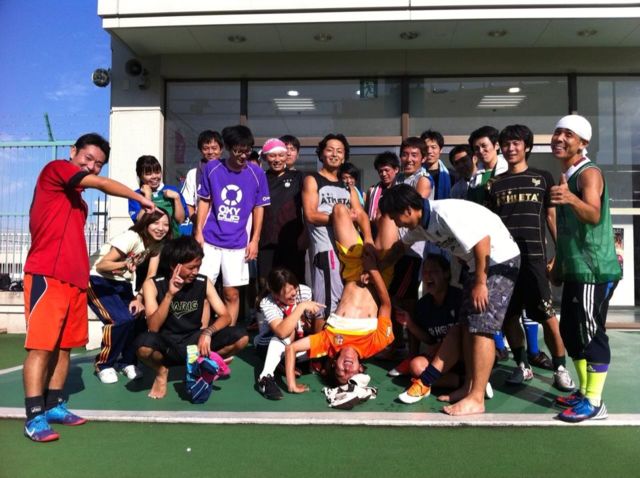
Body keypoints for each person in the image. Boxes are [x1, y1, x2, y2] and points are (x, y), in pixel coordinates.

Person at [22, 133, 155, 442]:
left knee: (64, 346)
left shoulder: (79, 203)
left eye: (99, 163)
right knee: (41, 347)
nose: (92, 166)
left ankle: (54, 405)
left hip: (75, 281)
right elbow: (103, 184)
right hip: (47, 274)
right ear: (73, 152)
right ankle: (34, 416)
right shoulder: (55, 169)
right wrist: (140, 198)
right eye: (88, 159)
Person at [379, 184, 520, 416]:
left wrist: (481, 282)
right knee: (466, 327)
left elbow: (482, 241)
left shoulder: (444, 214)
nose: (396, 223)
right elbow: (399, 249)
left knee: (481, 327)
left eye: (396, 218)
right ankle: (468, 388)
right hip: (477, 265)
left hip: (498, 260)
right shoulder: (421, 225)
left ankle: (477, 398)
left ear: (408, 210)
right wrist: (376, 266)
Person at [486, 124, 574, 391]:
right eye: (506, 144)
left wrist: (560, 253)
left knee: (547, 315)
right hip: (504, 261)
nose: (511, 148)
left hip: (535, 258)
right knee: (509, 317)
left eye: (516, 143)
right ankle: (522, 366)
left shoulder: (543, 177)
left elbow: (551, 217)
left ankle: (560, 368)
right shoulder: (494, 184)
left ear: (527, 147)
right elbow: (489, 226)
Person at [549, 114, 621, 422]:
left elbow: (592, 214)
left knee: (591, 333)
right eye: (557, 133)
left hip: (594, 269)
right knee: (571, 331)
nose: (560, 138)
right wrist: (560, 262)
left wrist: (569, 198)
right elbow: (568, 231)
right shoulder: (568, 174)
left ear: (583, 143)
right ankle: (584, 391)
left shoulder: (589, 173)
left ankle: (595, 402)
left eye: (568, 134)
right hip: (576, 268)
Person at [284, 203, 393, 392]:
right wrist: (373, 271)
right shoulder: (375, 345)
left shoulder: (328, 343)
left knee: (339, 210)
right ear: (360, 369)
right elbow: (386, 305)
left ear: (334, 364)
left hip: (353, 268)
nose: (347, 370)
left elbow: (291, 348)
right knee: (389, 216)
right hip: (381, 273)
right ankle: (367, 228)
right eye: (351, 375)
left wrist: (292, 385)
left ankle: (365, 227)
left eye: (341, 373)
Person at [135, 236, 249, 399]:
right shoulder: (153, 284)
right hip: (167, 345)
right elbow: (153, 327)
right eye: (191, 268)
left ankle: (203, 365)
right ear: (174, 265)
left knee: (241, 337)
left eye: (198, 266)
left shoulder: (203, 282)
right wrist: (169, 295)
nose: (195, 272)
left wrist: (207, 332)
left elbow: (225, 316)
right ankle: (161, 372)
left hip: (195, 343)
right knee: (142, 345)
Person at [195, 125, 270, 325]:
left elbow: (259, 208)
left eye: (247, 150)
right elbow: (204, 201)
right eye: (238, 151)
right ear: (227, 148)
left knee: (232, 293)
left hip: (237, 243)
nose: (243, 155)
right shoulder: (212, 168)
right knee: (203, 291)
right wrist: (198, 231)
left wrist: (255, 240)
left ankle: (228, 335)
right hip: (210, 239)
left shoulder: (257, 174)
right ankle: (201, 333)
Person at [88, 209, 172, 384]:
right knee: (119, 320)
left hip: (122, 283)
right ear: (146, 224)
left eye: (165, 224)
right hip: (97, 279)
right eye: (156, 223)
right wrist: (125, 264)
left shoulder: (156, 245)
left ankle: (127, 362)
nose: (161, 228)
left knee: (138, 317)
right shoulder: (132, 237)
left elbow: (151, 275)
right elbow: (102, 265)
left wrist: (139, 298)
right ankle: (103, 364)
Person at [302, 133, 371, 328]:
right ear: (321, 154)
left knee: (345, 300)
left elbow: (361, 214)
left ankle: (338, 342)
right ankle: (318, 346)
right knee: (324, 305)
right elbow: (310, 215)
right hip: (326, 251)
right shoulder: (312, 179)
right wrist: (341, 218)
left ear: (344, 156)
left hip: (349, 251)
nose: (334, 154)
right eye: (330, 150)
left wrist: (368, 239)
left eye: (339, 151)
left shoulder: (347, 186)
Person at [394, 255, 465, 403]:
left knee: (455, 332)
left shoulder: (460, 298)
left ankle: (425, 383)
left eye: (433, 271)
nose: (427, 276)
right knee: (415, 366)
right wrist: (409, 323)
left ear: (446, 274)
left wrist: (440, 346)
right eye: (425, 272)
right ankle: (464, 382)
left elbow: (466, 335)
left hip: (464, 356)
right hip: (442, 361)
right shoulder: (423, 305)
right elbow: (429, 339)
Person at [254, 268, 323, 400]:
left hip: (295, 348)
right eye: (288, 292)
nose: (294, 294)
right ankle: (266, 377)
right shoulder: (267, 302)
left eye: (294, 288)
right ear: (275, 294)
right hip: (267, 346)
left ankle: (284, 367)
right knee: (288, 330)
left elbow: (310, 324)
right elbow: (282, 332)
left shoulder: (304, 291)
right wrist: (301, 307)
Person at [259, 138, 307, 284]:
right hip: (266, 242)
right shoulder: (260, 178)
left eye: (281, 155)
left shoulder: (298, 177)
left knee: (293, 284)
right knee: (266, 284)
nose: (277, 160)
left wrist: (305, 235)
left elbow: (308, 208)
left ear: (286, 156)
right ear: (265, 157)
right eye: (272, 156)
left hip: (293, 241)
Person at [128, 155, 187, 238]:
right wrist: (147, 196)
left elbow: (180, 220)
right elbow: (140, 221)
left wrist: (177, 198)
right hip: (147, 243)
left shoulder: (173, 190)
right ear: (140, 176)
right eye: (148, 174)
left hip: (171, 241)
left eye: (157, 172)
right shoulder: (135, 195)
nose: (154, 176)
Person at [181, 130, 224, 220]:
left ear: (221, 149)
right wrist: (197, 222)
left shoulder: (229, 171)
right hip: (201, 223)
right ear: (201, 150)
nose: (210, 152)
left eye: (214, 148)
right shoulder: (193, 173)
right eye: (206, 148)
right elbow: (187, 203)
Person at [364, 151, 400, 235]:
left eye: (387, 170)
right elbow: (366, 215)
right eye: (380, 171)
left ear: (396, 169)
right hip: (374, 233)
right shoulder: (372, 191)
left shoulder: (401, 190)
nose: (383, 174)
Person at [420, 129, 452, 199]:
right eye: (426, 147)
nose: (429, 151)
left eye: (433, 147)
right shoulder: (416, 174)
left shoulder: (451, 175)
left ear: (440, 150)